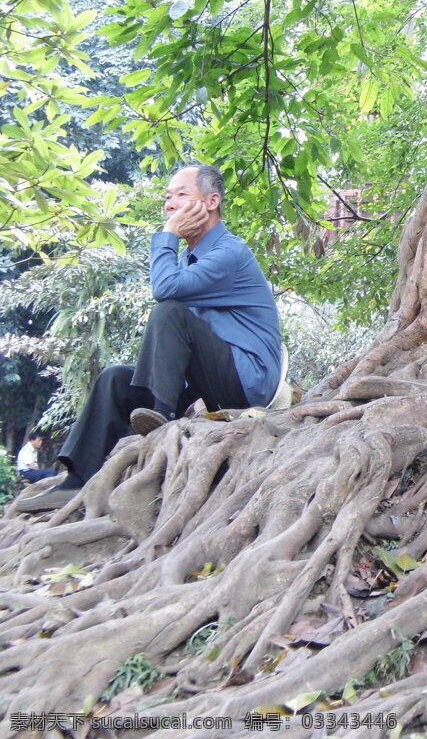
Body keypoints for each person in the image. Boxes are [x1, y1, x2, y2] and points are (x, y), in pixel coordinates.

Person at [16, 165, 282, 512]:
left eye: (181, 195)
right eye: (167, 197)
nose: (170, 204)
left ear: (212, 201)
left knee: (169, 310)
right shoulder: (190, 259)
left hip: (247, 381)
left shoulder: (229, 253)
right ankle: (76, 480)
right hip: (206, 382)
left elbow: (164, 291)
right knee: (114, 379)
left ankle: (161, 416)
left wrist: (168, 234)